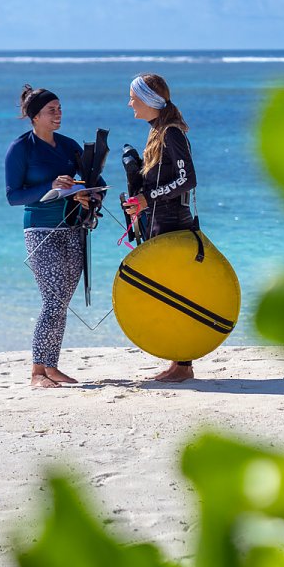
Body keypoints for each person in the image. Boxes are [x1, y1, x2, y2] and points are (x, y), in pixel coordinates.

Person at [5, 85, 89, 389]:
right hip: (40, 231)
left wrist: (84, 194)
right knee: (53, 300)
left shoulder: (69, 147)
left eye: (60, 108)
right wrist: (49, 186)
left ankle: (50, 366)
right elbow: (13, 196)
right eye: (51, 110)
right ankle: (37, 372)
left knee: (61, 302)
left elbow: (94, 181)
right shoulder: (21, 148)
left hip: (73, 229)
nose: (58, 114)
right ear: (35, 116)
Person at [123, 73, 198, 383]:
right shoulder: (156, 131)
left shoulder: (171, 133)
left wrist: (146, 197)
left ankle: (183, 365)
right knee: (166, 294)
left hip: (172, 225)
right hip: (158, 222)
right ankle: (178, 362)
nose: (130, 103)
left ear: (149, 100)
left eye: (133, 98)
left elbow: (187, 180)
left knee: (174, 293)